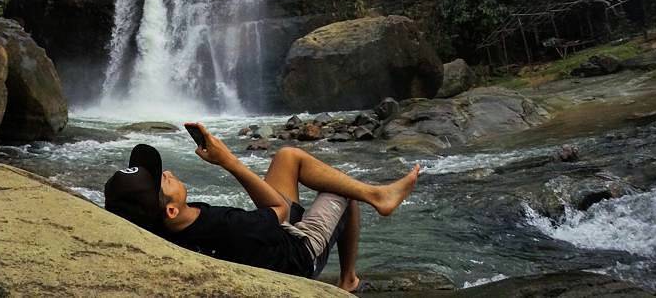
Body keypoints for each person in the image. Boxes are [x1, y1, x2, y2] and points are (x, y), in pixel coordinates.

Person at [103, 122, 420, 293]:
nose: (168, 173)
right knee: (344, 191)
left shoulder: (164, 226)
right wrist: (227, 161)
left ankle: (377, 199)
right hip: (295, 251)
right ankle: (349, 276)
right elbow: (277, 207)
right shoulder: (227, 228)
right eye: (162, 181)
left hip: (264, 237)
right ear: (170, 210)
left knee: (287, 157)